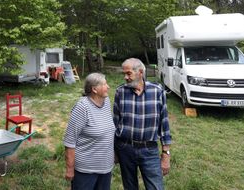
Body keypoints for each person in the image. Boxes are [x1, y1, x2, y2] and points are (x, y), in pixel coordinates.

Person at [114, 58, 172, 190]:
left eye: (128, 73)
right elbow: (115, 123)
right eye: (124, 74)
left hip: (149, 150)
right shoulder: (120, 92)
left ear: (140, 72)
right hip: (125, 148)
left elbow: (164, 124)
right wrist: (115, 150)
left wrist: (166, 154)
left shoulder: (157, 91)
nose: (125, 77)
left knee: (155, 187)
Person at [63, 73, 115, 190]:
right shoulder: (82, 107)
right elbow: (70, 140)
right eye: (104, 84)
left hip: (106, 168)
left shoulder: (106, 102)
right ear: (94, 89)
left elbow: (108, 131)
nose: (108, 87)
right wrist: (70, 169)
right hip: (86, 170)